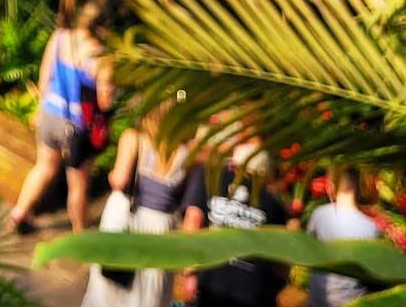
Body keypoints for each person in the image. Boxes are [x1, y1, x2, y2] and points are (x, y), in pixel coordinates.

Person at [83, 104, 206, 307]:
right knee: (150, 291)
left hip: (125, 217)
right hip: (161, 226)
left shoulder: (133, 138)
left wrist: (111, 176)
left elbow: (120, 180)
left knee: (108, 290)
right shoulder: (188, 154)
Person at [11, 0, 111, 233]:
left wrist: (39, 109)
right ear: (102, 28)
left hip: (49, 113)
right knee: (78, 184)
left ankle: (19, 213)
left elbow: (45, 77)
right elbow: (105, 101)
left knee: (44, 167)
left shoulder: (59, 38)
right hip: (76, 126)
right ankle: (79, 232)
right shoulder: (98, 56)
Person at [195, 142, 291, 307]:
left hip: (211, 281)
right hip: (251, 290)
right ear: (264, 173)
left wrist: (190, 271)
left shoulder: (214, 182)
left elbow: (194, 219)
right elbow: (282, 259)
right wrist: (275, 288)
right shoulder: (274, 204)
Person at [307, 166, 381, 306]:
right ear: (360, 188)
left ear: (330, 186)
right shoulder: (371, 227)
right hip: (350, 301)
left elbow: (308, 250)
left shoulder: (319, 214)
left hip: (318, 298)